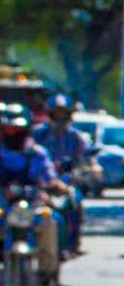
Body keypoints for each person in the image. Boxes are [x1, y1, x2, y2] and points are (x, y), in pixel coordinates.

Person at [0, 106, 64, 283]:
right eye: (8, 128)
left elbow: (50, 176)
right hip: (2, 206)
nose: (13, 133)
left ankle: (47, 271)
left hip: (32, 204)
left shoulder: (37, 153)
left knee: (50, 220)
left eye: (17, 129)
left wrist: (55, 185)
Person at [32, 94, 91, 256]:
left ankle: (71, 244)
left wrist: (89, 168)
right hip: (39, 183)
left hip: (66, 182)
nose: (60, 117)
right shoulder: (37, 135)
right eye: (56, 113)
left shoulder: (77, 137)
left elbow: (87, 158)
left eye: (63, 113)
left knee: (74, 201)